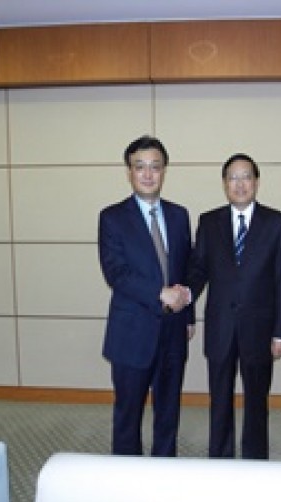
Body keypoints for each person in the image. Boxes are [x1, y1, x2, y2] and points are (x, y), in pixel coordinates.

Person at [187, 153, 281, 459]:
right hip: (220, 326)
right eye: (233, 178)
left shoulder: (277, 223)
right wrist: (185, 302)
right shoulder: (209, 222)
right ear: (224, 184)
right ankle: (220, 459)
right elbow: (198, 271)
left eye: (246, 177)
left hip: (260, 329)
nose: (240, 184)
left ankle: (255, 460)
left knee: (257, 401)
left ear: (256, 182)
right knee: (219, 399)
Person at [98, 135, 193, 456]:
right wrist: (159, 293)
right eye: (140, 167)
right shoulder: (112, 217)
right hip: (132, 332)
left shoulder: (179, 215)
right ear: (129, 172)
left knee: (168, 413)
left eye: (155, 166)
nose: (148, 174)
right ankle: (127, 476)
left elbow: (185, 269)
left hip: (173, 331)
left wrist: (188, 316)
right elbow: (116, 273)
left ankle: (163, 471)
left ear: (164, 171)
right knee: (128, 415)